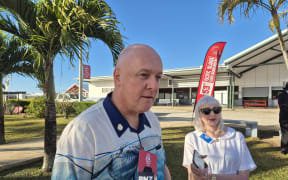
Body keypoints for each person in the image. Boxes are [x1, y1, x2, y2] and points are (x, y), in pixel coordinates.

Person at [52, 44, 171, 179]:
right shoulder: (83, 131)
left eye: (158, 77)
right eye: (144, 75)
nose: (154, 86)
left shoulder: (153, 121)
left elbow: (161, 166)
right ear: (118, 77)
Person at [182, 96, 256, 180]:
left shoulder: (237, 137)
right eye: (206, 111)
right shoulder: (192, 138)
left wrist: (212, 177)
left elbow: (244, 177)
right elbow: (191, 176)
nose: (212, 114)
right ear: (198, 114)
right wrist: (196, 174)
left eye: (216, 110)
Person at [278, 82, 288, 154]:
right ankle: (284, 149)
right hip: (284, 118)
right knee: (284, 133)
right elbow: (282, 106)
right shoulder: (281, 95)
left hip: (283, 117)